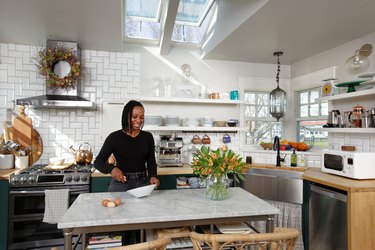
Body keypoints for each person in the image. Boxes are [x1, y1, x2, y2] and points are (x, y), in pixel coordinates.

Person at [94, 100, 160, 192]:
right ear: (126, 116)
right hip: (121, 183)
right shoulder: (114, 137)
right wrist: (112, 169)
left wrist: (153, 176)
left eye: (141, 117)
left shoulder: (147, 137)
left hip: (143, 182)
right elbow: (98, 162)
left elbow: (151, 162)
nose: (139, 120)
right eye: (134, 117)